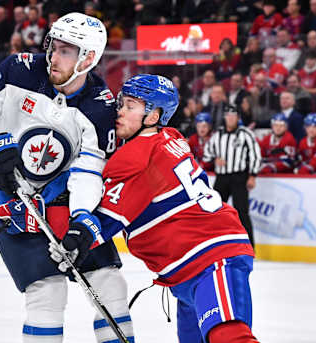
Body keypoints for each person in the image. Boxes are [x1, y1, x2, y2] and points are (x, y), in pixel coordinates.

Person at [0, 12, 134, 343]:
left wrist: (80, 219)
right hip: (13, 205)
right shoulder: (17, 69)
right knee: (46, 295)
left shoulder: (100, 107)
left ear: (88, 58)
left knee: (109, 285)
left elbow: (90, 172)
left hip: (61, 205)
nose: (53, 56)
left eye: (66, 50)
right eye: (53, 45)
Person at [50, 74, 259, 343]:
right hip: (188, 269)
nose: (120, 111)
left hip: (211, 261)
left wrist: (77, 238)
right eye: (121, 103)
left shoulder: (137, 156)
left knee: (230, 338)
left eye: (130, 106)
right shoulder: (171, 137)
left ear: (152, 116)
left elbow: (107, 221)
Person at [203, 104, 261, 248]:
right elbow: (207, 153)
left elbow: (255, 155)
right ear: (224, 118)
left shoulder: (245, 134)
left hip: (239, 177)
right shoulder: (217, 135)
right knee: (214, 211)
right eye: (228, 115)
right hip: (221, 177)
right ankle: (212, 246)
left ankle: (249, 247)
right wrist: (214, 159)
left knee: (242, 212)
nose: (230, 118)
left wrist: (253, 175)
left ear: (238, 118)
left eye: (233, 116)